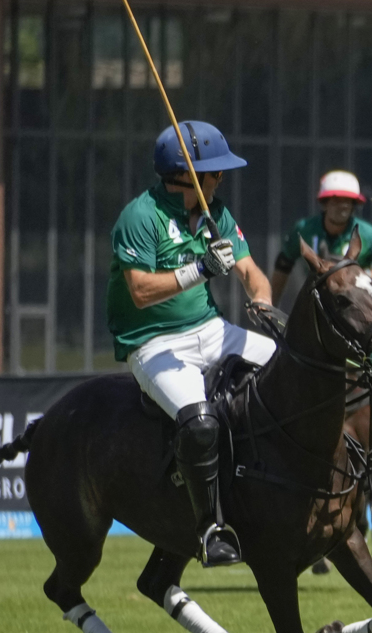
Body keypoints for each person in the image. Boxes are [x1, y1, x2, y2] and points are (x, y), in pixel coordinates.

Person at [107, 120, 276, 567]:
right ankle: (210, 529)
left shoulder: (217, 213)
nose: (222, 178)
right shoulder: (140, 217)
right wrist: (199, 269)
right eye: (216, 171)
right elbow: (140, 291)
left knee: (286, 368)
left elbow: (251, 271)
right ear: (190, 175)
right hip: (154, 343)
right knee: (199, 422)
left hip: (210, 330)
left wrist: (260, 300)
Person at [272, 170, 372, 462]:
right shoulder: (304, 230)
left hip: (356, 325)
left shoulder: (367, 234)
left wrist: (359, 278)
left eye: (349, 202)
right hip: (317, 324)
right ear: (324, 203)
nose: (343, 206)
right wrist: (269, 304)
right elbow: (282, 265)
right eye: (336, 200)